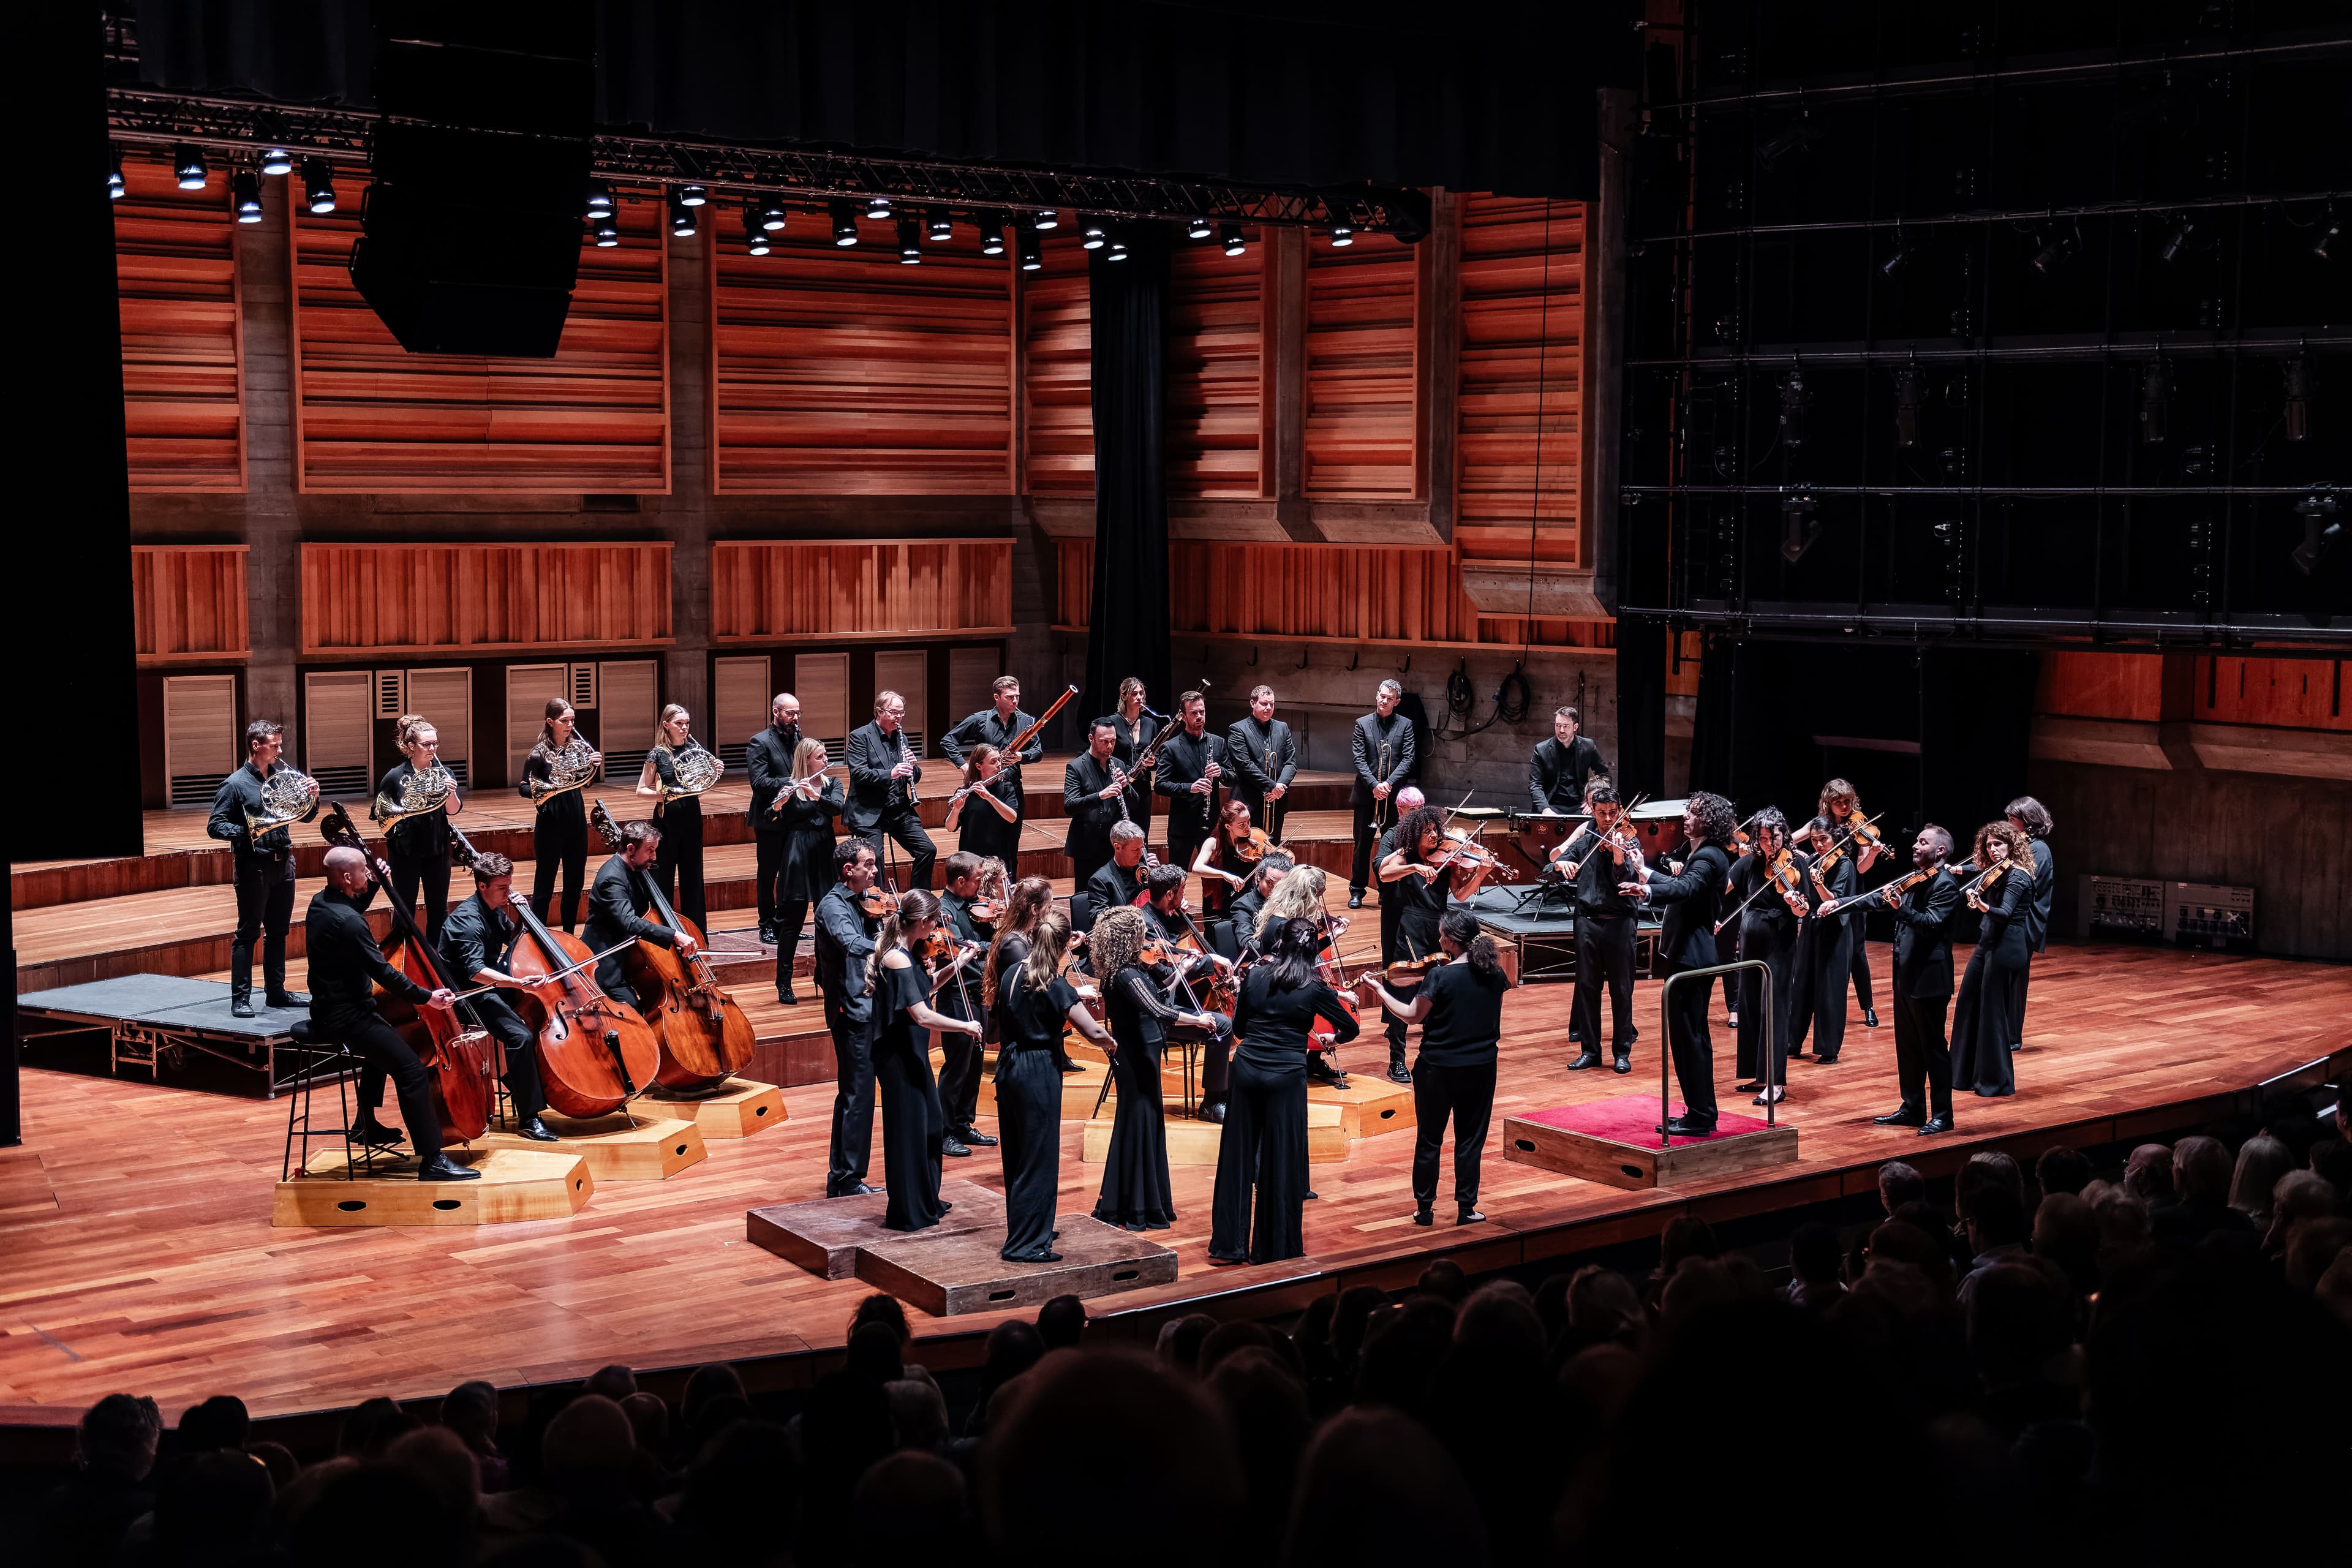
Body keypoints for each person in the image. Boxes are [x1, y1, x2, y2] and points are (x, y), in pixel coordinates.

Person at [306, 846, 472, 1180]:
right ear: (347, 877)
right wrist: (428, 997)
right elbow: (385, 974)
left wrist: (377, 883)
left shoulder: (320, 904)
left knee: (382, 1051)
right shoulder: (350, 924)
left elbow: (351, 910)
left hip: (328, 1007)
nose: (367, 874)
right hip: (347, 1016)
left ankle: (365, 1124)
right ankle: (432, 1160)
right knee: (411, 1071)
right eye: (363, 871)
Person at [1209, 918, 1359, 1264]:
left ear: (1280, 943)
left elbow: (1240, 1028)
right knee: (1281, 1159)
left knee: (1237, 1156)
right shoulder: (1314, 987)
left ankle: (1228, 1246)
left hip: (1246, 1070)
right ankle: (1274, 1248)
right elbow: (1350, 1026)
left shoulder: (1255, 976)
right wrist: (1333, 1039)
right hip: (1286, 1077)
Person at [1357, 907, 1510, 1227]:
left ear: (1452, 941)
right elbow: (1491, 1016)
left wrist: (1380, 990)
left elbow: (1412, 1016)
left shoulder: (1439, 976)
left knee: (1430, 1139)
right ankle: (1467, 1209)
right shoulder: (1495, 973)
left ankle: (1425, 1209)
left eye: (1441, 936)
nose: (1438, 940)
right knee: (1470, 1140)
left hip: (1437, 1070)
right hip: (1481, 1068)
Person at [1090, 907, 1215, 1232]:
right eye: (1140, 934)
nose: (1146, 940)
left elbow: (1157, 995)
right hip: (1136, 1058)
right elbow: (1158, 1009)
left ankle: (1139, 1200)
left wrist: (1181, 972)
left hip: (1142, 1054)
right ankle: (1136, 1205)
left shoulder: (1125, 970)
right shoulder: (1126, 975)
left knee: (1144, 1122)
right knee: (1138, 1123)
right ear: (1128, 939)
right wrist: (1197, 1019)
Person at [997, 907, 1112, 1262]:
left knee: (1017, 1155)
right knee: (1039, 1157)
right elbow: (1092, 1031)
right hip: (1037, 1071)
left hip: (1010, 1066)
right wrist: (1113, 1044)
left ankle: (1025, 1229)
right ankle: (1027, 1245)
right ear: (1063, 946)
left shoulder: (1012, 973)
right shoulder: (1054, 983)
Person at [865, 890, 984, 1232]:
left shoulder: (910, 954)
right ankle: (909, 1209)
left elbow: (926, 987)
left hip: (911, 1053)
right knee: (909, 1131)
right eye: (935, 920)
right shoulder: (896, 959)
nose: (937, 927)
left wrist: (959, 963)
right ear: (922, 921)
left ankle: (926, 1198)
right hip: (897, 1057)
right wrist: (965, 1025)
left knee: (930, 1125)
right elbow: (921, 1015)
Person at [1624, 792, 1736, 1135]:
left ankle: (1701, 1117)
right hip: (1688, 956)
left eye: (1695, 813)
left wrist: (1647, 891)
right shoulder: (1703, 853)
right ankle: (1700, 1113)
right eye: (1688, 811)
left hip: (1692, 958)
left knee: (1690, 1040)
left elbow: (1686, 888)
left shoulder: (1709, 857)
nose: (1686, 817)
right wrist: (1644, 872)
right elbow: (1680, 884)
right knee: (1689, 1038)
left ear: (1710, 821)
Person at [436, 850, 556, 1142]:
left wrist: (523, 916)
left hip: (490, 987)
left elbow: (512, 940)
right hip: (466, 997)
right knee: (520, 1037)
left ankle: (528, 1084)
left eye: (509, 886)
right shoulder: (467, 921)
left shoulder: (493, 909)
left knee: (538, 1017)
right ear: (482, 886)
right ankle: (529, 1118)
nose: (508, 893)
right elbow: (476, 972)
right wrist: (517, 983)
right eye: (503, 888)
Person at [1376, 804, 1494, 1085]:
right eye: (1427, 831)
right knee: (1404, 987)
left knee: (1436, 988)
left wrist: (1480, 874)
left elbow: (1460, 894)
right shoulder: (1406, 856)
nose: (1433, 835)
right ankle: (1396, 1058)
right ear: (1415, 834)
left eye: (1435, 830)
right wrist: (1414, 867)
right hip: (1411, 925)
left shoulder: (1447, 860)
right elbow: (1384, 874)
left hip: (1439, 928)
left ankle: (1431, 1052)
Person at [206, 718, 307, 1019]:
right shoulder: (235, 785)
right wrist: (249, 831)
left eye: (279, 745)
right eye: (274, 745)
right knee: (248, 933)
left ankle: (276, 993)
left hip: (284, 865)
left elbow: (303, 816)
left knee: (278, 933)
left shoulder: (282, 779)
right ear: (256, 745)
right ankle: (241, 999)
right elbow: (215, 826)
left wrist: (311, 798)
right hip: (254, 867)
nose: (280, 751)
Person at [1866, 826, 1962, 1135]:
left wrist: (1902, 908)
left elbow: (1930, 924)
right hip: (1906, 976)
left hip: (1929, 980)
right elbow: (1875, 900)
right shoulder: (1916, 879)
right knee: (1908, 1046)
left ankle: (1943, 1116)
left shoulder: (1946, 885)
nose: (1915, 846)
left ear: (1940, 851)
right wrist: (1838, 904)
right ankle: (1912, 1108)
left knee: (1933, 1048)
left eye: (1924, 842)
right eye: (1917, 841)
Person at [1725, 807, 1810, 1106]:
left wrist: (1795, 904)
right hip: (1751, 941)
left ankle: (1775, 1083)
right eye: (1762, 838)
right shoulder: (1749, 862)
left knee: (1773, 1007)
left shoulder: (1797, 863)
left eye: (1773, 837)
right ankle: (1757, 1075)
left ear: (1783, 834)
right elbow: (1723, 887)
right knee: (1749, 1004)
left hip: (1779, 941)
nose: (1768, 844)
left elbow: (1804, 910)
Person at [816, 839, 885, 1196]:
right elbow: (851, 943)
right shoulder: (833, 906)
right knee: (857, 1095)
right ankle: (845, 1179)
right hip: (851, 1010)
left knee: (860, 1094)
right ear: (849, 870)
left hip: (871, 1007)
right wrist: (894, 944)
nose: (875, 871)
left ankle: (847, 1175)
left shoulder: (865, 900)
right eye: (869, 864)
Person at [1553, 784, 1637, 1073]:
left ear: (1620, 810)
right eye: (1602, 813)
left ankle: (1622, 1052)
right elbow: (1556, 862)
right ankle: (1590, 1052)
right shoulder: (1588, 838)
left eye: (1613, 812)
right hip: (1587, 922)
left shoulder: (1630, 842)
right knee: (1587, 988)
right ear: (1593, 811)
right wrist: (1562, 865)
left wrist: (1618, 857)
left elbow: (1629, 879)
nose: (1608, 819)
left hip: (1620, 923)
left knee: (1622, 990)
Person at [1951, 821, 2034, 1099]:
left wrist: (1981, 904)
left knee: (1991, 1012)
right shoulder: (1997, 871)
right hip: (1988, 943)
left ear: (2011, 845)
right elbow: (1977, 869)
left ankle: (1996, 1081)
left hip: (2006, 946)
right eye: (1989, 845)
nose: (1993, 849)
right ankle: (1962, 1074)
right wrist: (1956, 872)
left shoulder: (2018, 876)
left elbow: (2004, 913)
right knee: (1968, 1002)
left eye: (1998, 844)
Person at [768, 737, 843, 1006]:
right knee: (793, 923)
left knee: (826, 920)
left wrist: (816, 796)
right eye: (820, 757)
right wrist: (778, 805)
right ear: (806, 760)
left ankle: (824, 976)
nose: (826, 760)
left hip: (825, 852)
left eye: (825, 755)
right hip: (797, 854)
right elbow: (769, 817)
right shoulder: (788, 786)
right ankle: (783, 982)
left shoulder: (832, 784)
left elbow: (839, 809)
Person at [583, 819, 688, 1011]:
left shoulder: (637, 869)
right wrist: (674, 935)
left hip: (631, 956)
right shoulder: (612, 879)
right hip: (607, 960)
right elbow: (630, 922)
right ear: (631, 849)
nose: (654, 857)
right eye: (650, 850)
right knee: (631, 1007)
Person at [377, 712, 463, 945]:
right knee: (404, 910)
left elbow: (453, 810)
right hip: (405, 853)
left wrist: (451, 792)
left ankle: (437, 960)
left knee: (439, 910)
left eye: (435, 743)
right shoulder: (395, 777)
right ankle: (401, 958)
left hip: (437, 850)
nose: (432, 749)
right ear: (411, 746)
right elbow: (382, 813)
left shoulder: (444, 773)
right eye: (427, 744)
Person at [518, 698, 602, 932]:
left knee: (574, 885)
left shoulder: (578, 749)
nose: (570, 725)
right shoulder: (539, 754)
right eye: (564, 721)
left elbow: (585, 783)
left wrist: (593, 767)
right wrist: (548, 789)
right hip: (550, 823)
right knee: (544, 887)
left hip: (576, 822)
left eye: (572, 720)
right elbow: (523, 787)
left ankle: (569, 935)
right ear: (550, 722)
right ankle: (538, 936)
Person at [932, 852, 994, 1156]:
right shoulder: (943, 911)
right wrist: (992, 945)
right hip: (957, 994)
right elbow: (958, 948)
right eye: (978, 879)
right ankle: (943, 1132)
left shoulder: (977, 906)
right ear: (960, 881)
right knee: (957, 1065)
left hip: (979, 991)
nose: (981, 885)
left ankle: (963, 1124)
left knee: (976, 1062)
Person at [636, 704, 717, 931]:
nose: (684, 728)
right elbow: (641, 789)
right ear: (666, 725)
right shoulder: (658, 754)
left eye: (687, 723)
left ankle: (697, 933)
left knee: (694, 878)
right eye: (679, 723)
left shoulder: (694, 750)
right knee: (663, 877)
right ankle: (664, 933)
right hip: (666, 821)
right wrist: (662, 795)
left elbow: (699, 789)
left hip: (692, 817)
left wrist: (713, 773)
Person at [845, 690, 936, 891]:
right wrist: (891, 773)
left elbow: (914, 777)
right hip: (869, 812)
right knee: (874, 858)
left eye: (902, 713)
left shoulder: (901, 738)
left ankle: (918, 899)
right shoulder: (860, 737)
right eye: (894, 713)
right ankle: (877, 901)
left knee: (927, 850)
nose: (899, 717)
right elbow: (859, 773)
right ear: (879, 712)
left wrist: (914, 766)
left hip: (899, 810)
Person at [1789, 816, 1858, 1065]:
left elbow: (1835, 901)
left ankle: (1828, 1049)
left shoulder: (1845, 865)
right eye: (1815, 840)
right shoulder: (1812, 861)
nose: (1818, 845)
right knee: (1802, 985)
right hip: (1812, 927)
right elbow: (1805, 896)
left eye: (1824, 839)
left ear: (1835, 838)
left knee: (1830, 989)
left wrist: (1818, 883)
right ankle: (1792, 1042)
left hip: (1835, 932)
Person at [1820, 779, 1886, 1027]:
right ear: (1828, 803)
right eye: (1838, 802)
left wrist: (1873, 853)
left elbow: (1861, 868)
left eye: (1848, 801)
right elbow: (1797, 838)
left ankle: (1868, 1006)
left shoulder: (1860, 826)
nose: (1845, 806)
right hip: (1825, 888)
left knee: (1857, 950)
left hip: (1853, 892)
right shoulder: (1822, 826)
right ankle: (1819, 1003)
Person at [1153, 690, 1225, 907]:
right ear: (1183, 717)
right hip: (1182, 825)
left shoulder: (1218, 743)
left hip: (1211, 823)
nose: (1199, 716)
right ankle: (1174, 916)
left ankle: (1212, 918)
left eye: (1202, 712)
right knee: (1176, 878)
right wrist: (1189, 788)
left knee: (1212, 877)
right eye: (1194, 713)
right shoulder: (1171, 747)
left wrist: (1221, 772)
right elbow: (1160, 785)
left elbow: (1233, 775)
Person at [1348, 679, 1415, 909]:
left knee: (1393, 845)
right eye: (1382, 696)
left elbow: (1408, 759)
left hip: (1393, 797)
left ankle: (1386, 890)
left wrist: (1388, 784)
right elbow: (1359, 759)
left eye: (1389, 698)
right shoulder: (1362, 724)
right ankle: (1357, 891)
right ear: (1377, 695)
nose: (1384, 701)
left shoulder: (1405, 725)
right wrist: (1374, 785)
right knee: (1362, 845)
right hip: (1367, 795)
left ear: (1397, 701)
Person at [746, 692, 804, 946]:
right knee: (768, 875)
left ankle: (786, 925)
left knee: (791, 876)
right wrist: (792, 782)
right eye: (790, 713)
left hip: (794, 818)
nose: (795, 718)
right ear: (776, 712)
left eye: (798, 713)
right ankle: (767, 925)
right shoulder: (759, 742)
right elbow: (759, 782)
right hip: (769, 819)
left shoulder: (798, 738)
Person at [942, 674, 1046, 801]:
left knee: (1015, 816)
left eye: (1017, 696)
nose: (1015, 701)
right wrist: (963, 766)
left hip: (1013, 788)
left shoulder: (1026, 721)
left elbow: (1037, 752)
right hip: (984, 788)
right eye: (1009, 697)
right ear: (997, 697)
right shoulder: (979, 720)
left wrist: (1021, 756)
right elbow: (948, 741)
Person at [2004, 796, 2056, 1051]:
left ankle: (2012, 1037)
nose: (2008, 824)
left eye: (2012, 819)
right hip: (2013, 921)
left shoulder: (2039, 850)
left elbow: (2024, 882)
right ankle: (2002, 1033)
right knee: (2006, 979)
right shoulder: (2023, 846)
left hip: (2025, 923)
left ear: (2027, 821)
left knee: (2015, 982)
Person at [1063, 717, 1131, 908]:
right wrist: (1100, 795)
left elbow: (1135, 803)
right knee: (1086, 898)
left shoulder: (1119, 764)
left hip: (1114, 844)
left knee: (1116, 896)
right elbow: (1070, 805)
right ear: (1091, 739)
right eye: (1104, 741)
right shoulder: (1076, 767)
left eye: (1113, 741)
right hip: (1087, 845)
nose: (1109, 747)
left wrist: (1126, 787)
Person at [1226, 684, 1297, 839]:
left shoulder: (1282, 728)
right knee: (1247, 847)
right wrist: (1271, 787)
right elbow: (1245, 765)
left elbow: (1291, 762)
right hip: (1249, 801)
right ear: (1253, 703)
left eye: (1272, 704)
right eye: (1264, 704)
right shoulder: (1238, 729)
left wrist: (1280, 786)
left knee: (1273, 846)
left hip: (1276, 801)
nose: (1269, 708)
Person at [944, 742, 1022, 867]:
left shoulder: (1007, 788)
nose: (999, 765)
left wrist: (990, 798)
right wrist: (956, 809)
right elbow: (950, 827)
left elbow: (1012, 817)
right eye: (993, 762)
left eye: (999, 760)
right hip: (971, 859)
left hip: (999, 858)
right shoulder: (967, 791)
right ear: (979, 766)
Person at [1528, 704, 1609, 815]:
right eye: (1558, 725)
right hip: (1551, 804)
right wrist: (1544, 808)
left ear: (1575, 727)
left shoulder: (1588, 746)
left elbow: (1604, 775)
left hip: (1580, 804)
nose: (1561, 730)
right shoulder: (1541, 750)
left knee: (1596, 818)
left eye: (1566, 726)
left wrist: (1594, 800)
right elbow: (1535, 784)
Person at [1108, 677, 1158, 838]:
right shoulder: (1112, 723)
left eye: (1142, 693)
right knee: (1119, 830)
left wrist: (1153, 761)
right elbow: (1107, 754)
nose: (1139, 697)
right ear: (1124, 697)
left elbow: (1157, 756)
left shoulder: (1150, 724)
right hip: (1119, 782)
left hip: (1142, 784)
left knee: (1142, 832)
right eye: (1134, 694)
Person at [1192, 798, 1259, 914]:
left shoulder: (1252, 841)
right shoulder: (1213, 843)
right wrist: (1224, 875)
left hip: (1245, 902)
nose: (1248, 828)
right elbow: (1196, 868)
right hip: (1220, 903)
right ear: (1228, 827)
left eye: (1249, 822)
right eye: (1242, 825)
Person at [1084, 821, 1151, 929]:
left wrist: (1159, 876)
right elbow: (1098, 917)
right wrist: (1131, 915)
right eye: (1136, 850)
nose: (1141, 854)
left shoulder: (1144, 870)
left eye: (1141, 848)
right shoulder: (1100, 880)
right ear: (1118, 848)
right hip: (1123, 934)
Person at [1225, 851, 1293, 956]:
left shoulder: (1290, 901)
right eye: (1270, 883)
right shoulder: (1243, 906)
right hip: (1260, 963)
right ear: (1258, 877)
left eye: (1281, 885)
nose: (1275, 890)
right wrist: (1281, 947)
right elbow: (1246, 943)